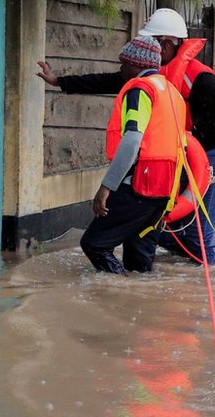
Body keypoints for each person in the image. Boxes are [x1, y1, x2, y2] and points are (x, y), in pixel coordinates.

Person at [37, 8, 215, 265]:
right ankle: (167, 277)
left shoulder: (197, 77)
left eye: (152, 41)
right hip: (174, 158)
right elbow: (110, 80)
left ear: (165, 44)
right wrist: (61, 82)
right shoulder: (152, 76)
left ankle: (206, 277)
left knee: (200, 230)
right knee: (158, 225)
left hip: (211, 154)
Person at [79, 35, 188, 275]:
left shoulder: (140, 91)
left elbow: (132, 139)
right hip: (165, 189)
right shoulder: (172, 92)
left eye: (124, 63)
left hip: (139, 185)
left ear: (136, 65)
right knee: (139, 261)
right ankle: (133, 304)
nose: (121, 69)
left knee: (95, 244)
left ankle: (118, 288)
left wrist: (106, 187)